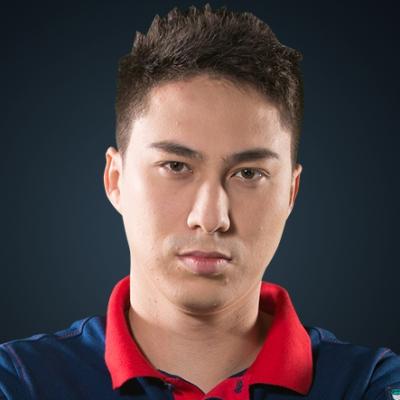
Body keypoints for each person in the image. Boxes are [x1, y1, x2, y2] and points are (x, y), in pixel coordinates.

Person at [1, 4, 399, 399]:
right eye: (176, 166)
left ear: (291, 192)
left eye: (248, 173)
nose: (210, 218)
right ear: (115, 179)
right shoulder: (20, 381)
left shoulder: (372, 383)